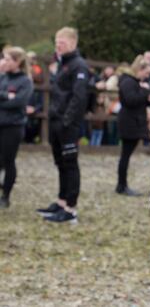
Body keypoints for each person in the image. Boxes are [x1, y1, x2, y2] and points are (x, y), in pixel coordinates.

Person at [37, 27, 90, 223]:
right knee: (60, 164)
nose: (59, 45)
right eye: (57, 42)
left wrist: (67, 121)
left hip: (68, 125)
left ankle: (70, 209)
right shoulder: (61, 64)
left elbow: (79, 97)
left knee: (70, 165)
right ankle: (61, 202)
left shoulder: (79, 66)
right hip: (56, 122)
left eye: (63, 42)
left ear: (73, 43)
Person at [116, 56, 150, 195]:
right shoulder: (128, 81)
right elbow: (131, 100)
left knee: (125, 155)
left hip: (134, 122)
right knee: (125, 155)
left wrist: (146, 95)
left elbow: (139, 100)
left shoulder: (135, 82)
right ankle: (121, 185)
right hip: (128, 123)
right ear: (140, 69)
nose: (148, 75)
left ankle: (121, 185)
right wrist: (144, 91)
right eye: (147, 72)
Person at [0, 47, 34, 208]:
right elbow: (10, 100)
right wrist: (6, 96)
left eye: (7, 59)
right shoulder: (2, 78)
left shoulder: (25, 81)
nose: (4, 62)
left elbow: (19, 102)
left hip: (13, 127)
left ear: (17, 62)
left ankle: (6, 196)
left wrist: (4, 100)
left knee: (8, 160)